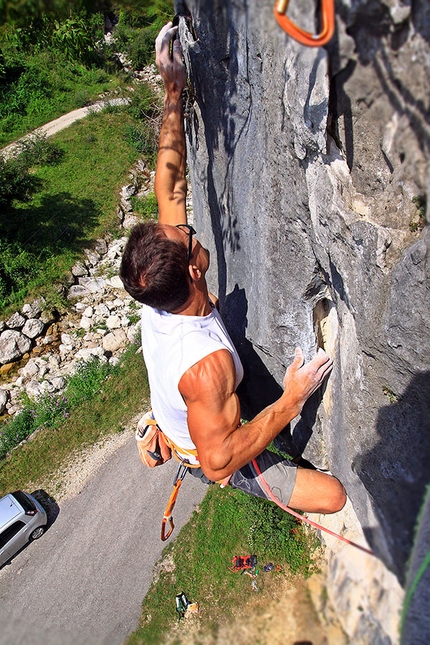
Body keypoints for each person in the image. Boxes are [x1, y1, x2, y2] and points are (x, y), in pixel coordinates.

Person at [120, 21, 346, 514]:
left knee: (232, 401)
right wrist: (291, 400)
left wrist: (174, 89)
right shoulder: (206, 368)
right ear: (194, 270)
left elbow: (170, 186)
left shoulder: (156, 287)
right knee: (333, 495)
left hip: (199, 406)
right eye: (190, 237)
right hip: (207, 451)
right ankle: (189, 441)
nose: (188, 227)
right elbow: (218, 460)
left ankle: (169, 425)